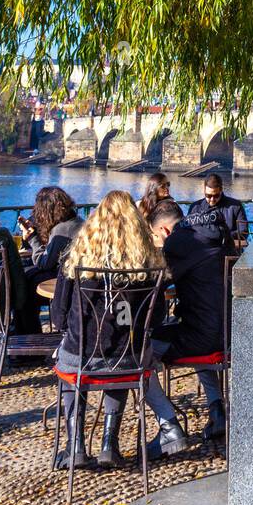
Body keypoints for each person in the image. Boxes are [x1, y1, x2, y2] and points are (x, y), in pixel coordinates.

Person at [51, 190, 164, 471]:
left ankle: (75, 444)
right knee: (122, 350)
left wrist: (75, 331)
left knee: (72, 362)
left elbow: (58, 315)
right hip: (129, 361)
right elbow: (158, 317)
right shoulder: (148, 264)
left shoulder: (77, 259)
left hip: (81, 357)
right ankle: (108, 444)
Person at [145, 199, 235, 458]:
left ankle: (169, 425)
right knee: (191, 326)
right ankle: (216, 407)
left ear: (163, 231)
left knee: (138, 352)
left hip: (204, 338)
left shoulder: (176, 243)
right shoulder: (219, 234)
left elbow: (157, 289)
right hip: (230, 333)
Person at [16, 186, 83, 334]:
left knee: (24, 286)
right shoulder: (78, 221)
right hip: (77, 279)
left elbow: (43, 263)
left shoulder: (61, 230)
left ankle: (28, 335)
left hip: (65, 282)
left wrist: (32, 239)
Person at [187, 173, 249, 246]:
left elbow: (243, 232)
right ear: (204, 191)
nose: (212, 199)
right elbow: (188, 231)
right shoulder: (195, 207)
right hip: (202, 251)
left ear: (221, 190)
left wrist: (222, 236)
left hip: (228, 250)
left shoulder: (236, 206)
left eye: (216, 196)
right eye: (208, 196)